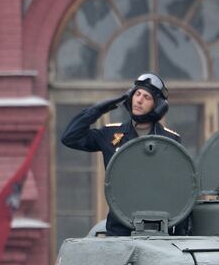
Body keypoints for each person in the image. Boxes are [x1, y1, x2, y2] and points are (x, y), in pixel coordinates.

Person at [60, 72, 181, 236]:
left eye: (147, 97)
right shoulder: (111, 134)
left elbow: (181, 187)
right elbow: (70, 138)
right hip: (119, 229)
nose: (139, 100)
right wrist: (99, 109)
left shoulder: (170, 140)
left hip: (159, 229)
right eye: (137, 94)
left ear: (157, 106)